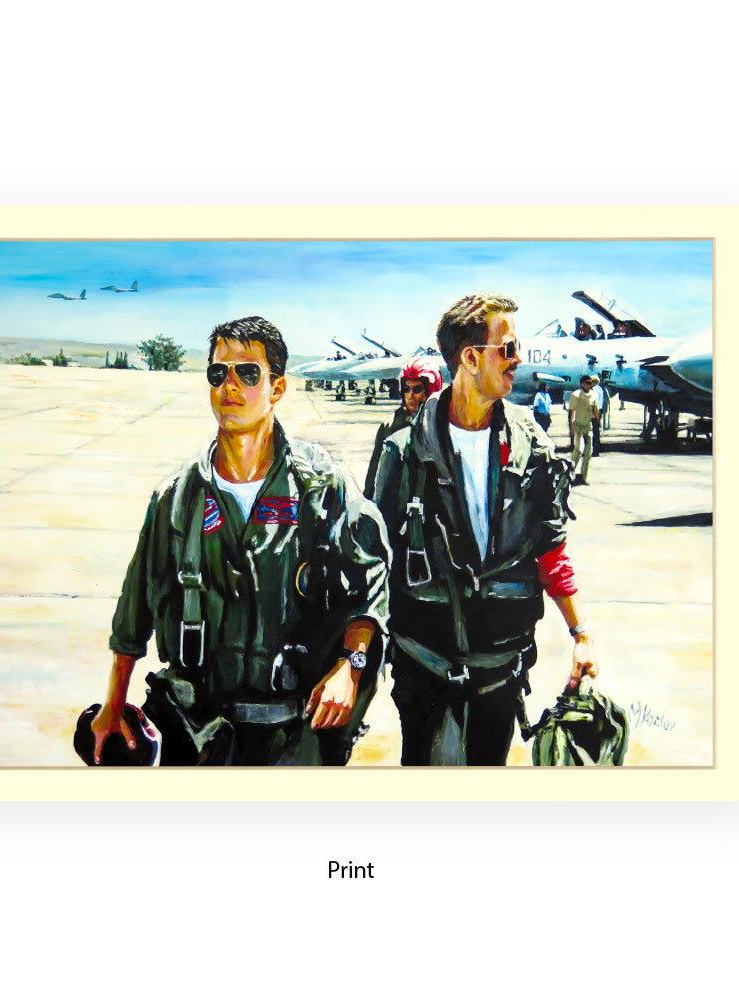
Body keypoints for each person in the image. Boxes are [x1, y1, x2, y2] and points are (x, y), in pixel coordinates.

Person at [91, 316, 390, 766]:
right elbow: (134, 612)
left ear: (277, 388)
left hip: (296, 733)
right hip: (199, 731)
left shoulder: (321, 486)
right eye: (218, 373)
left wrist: (351, 666)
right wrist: (113, 706)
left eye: (247, 373)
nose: (229, 385)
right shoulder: (178, 499)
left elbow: (371, 582)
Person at [374, 294, 598, 766]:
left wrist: (580, 635)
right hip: (424, 665)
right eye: (508, 349)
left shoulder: (531, 443)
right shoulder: (403, 452)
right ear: (471, 358)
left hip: (501, 670)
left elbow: (551, 547)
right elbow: (377, 564)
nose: (518, 360)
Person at [363, 356, 443, 499]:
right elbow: (374, 473)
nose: (410, 395)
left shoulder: (441, 424)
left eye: (417, 389)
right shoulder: (389, 425)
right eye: (406, 389)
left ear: (430, 389)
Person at [567, 375, 600, 485]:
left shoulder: (593, 395)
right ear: (582, 384)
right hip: (578, 427)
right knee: (578, 450)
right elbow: (571, 413)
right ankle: (569, 473)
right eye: (587, 383)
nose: (590, 385)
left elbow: (595, 408)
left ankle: (583, 477)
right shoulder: (576, 395)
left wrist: (598, 420)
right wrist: (571, 429)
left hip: (588, 426)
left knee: (588, 453)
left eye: (591, 383)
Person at [590, 375, 605, 456]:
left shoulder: (593, 390)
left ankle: (594, 450)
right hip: (599, 411)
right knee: (596, 432)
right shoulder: (600, 389)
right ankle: (597, 449)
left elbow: (594, 404)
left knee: (592, 432)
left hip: (594, 412)